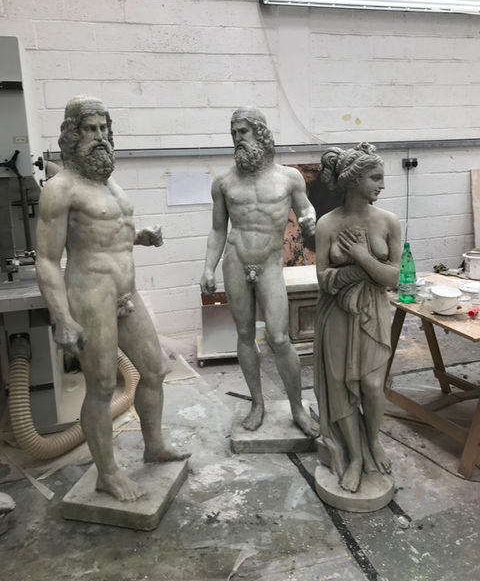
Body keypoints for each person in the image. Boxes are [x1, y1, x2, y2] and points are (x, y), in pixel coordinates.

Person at [35, 95, 188, 502]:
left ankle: (153, 445)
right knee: (102, 387)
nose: (100, 136)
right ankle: (108, 474)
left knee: (154, 370)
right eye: (90, 129)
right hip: (91, 296)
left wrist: (140, 236)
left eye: (104, 128)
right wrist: (62, 317)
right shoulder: (60, 189)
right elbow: (46, 260)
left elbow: (106, 231)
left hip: (127, 294)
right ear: (72, 134)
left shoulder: (106, 181)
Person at [200, 107, 319, 438]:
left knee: (280, 338)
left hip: (269, 263)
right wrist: (208, 267)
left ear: (261, 134)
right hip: (235, 260)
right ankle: (257, 403)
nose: (238, 139)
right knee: (244, 335)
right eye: (233, 133)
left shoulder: (289, 177)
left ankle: (297, 407)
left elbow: (306, 209)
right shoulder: (223, 183)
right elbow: (217, 229)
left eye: (243, 132)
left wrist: (310, 219)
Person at [313, 142, 401, 493]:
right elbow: (323, 279)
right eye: (375, 177)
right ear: (353, 180)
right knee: (340, 389)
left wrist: (362, 257)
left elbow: (393, 278)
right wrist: (362, 271)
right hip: (336, 313)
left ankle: (373, 441)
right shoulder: (327, 224)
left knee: (372, 385)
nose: (382, 184)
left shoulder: (388, 221)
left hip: (373, 312)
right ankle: (353, 455)